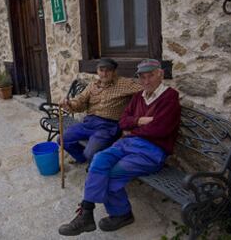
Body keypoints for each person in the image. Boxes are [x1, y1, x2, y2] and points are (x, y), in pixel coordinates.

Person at [58, 58, 181, 236]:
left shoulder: (169, 97)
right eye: (142, 77)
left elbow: (161, 129)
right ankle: (86, 213)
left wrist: (133, 130)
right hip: (127, 142)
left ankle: (122, 213)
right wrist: (137, 121)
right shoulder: (139, 96)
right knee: (98, 160)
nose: (146, 81)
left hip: (151, 151)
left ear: (160, 75)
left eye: (151, 76)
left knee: (110, 173)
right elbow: (124, 122)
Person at [58, 58, 142, 164]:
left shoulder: (124, 84)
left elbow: (145, 89)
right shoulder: (93, 85)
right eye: (101, 70)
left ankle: (92, 161)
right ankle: (83, 159)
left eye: (108, 70)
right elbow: (80, 100)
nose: (104, 73)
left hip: (108, 127)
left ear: (114, 72)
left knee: (90, 153)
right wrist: (69, 103)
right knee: (62, 139)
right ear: (97, 71)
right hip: (89, 123)